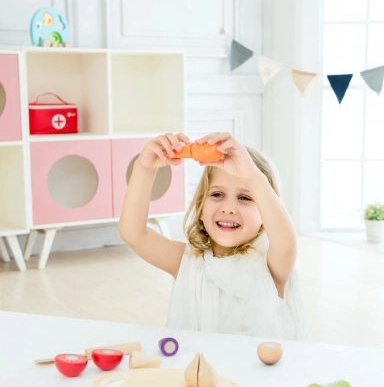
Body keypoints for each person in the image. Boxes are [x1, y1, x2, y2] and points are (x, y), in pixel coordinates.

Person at [119, 131, 311, 341]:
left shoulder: (271, 265)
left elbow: (287, 244)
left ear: (265, 209)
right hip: (199, 372)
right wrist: (143, 168)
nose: (228, 208)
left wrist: (254, 177)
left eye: (245, 197)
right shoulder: (186, 261)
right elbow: (134, 234)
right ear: (201, 205)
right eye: (217, 194)